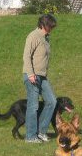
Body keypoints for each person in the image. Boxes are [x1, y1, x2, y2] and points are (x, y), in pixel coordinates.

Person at [22, 14, 57, 143]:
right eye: (50, 26)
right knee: (33, 105)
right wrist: (31, 74)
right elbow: (26, 56)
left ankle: (41, 132)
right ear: (43, 24)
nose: (52, 28)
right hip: (31, 75)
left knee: (52, 101)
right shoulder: (33, 36)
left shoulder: (45, 38)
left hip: (42, 76)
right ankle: (30, 136)